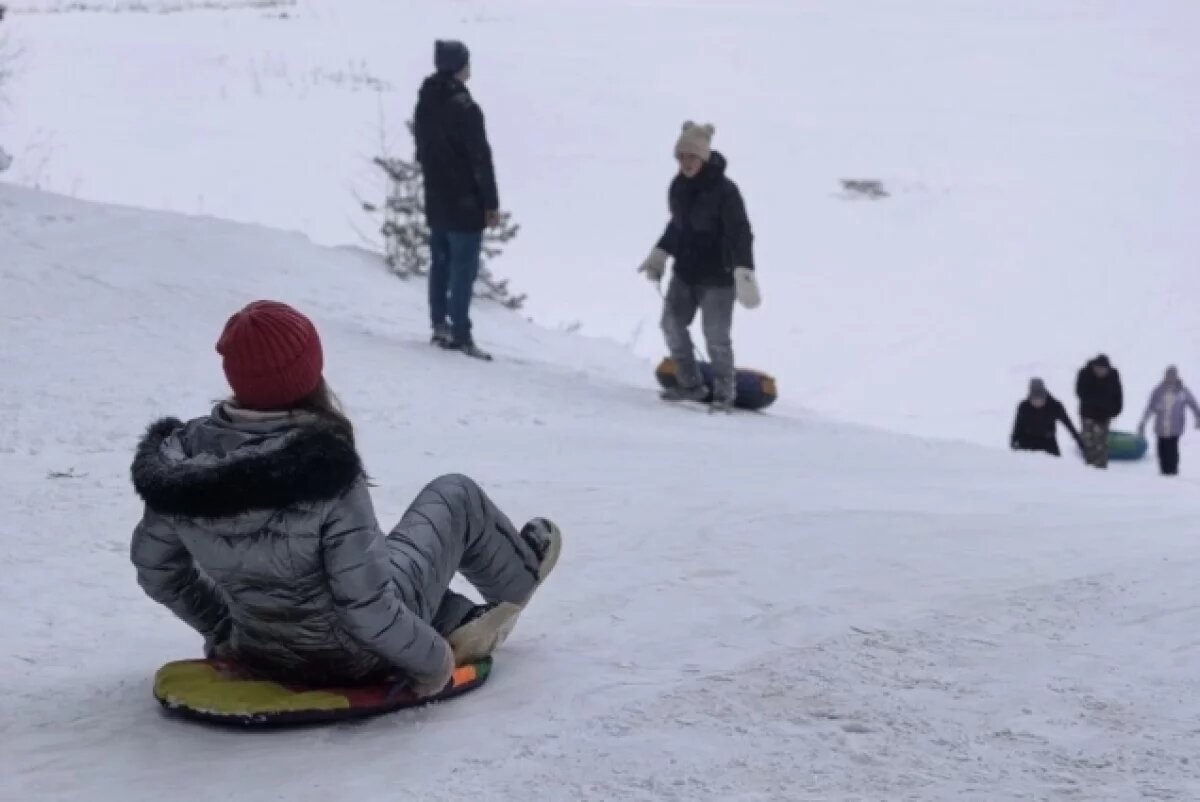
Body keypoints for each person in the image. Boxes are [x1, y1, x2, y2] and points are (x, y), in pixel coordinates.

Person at [129, 300, 561, 695]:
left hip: (261, 648)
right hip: (359, 655)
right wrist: (433, 664)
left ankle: (456, 616)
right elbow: (367, 604)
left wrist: (225, 632)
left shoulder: (184, 466)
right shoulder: (322, 470)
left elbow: (157, 570)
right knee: (455, 493)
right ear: (309, 372)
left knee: (376, 563)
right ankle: (518, 578)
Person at [637, 121, 761, 412]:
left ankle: (724, 395)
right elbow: (677, 225)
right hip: (685, 272)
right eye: (680, 157)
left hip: (719, 277)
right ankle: (690, 384)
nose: (685, 162)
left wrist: (744, 270)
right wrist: (660, 255)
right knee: (670, 324)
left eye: (691, 156)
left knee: (716, 337)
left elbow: (741, 232)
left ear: (703, 157)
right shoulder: (678, 187)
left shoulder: (726, 191)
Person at [412, 39, 499, 360]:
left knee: (441, 262)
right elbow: (481, 159)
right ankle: (460, 332)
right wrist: (491, 204)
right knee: (463, 268)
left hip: (436, 196)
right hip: (465, 201)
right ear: (460, 65)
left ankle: (440, 325)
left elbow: (420, 150)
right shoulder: (466, 108)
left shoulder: (426, 101)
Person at [1137, 365, 1200, 475]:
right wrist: (1143, 422)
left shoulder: (1182, 391)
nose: (1170, 379)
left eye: (1172, 376)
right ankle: (1164, 472)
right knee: (1161, 450)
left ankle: (1173, 471)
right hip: (1161, 427)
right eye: (1168, 376)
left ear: (1176, 377)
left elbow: (1193, 404)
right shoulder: (1158, 390)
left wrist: (1198, 417)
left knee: (1172, 450)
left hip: (1175, 427)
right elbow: (1150, 407)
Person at [1010, 377, 1083, 457]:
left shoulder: (1055, 406)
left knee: (1055, 465)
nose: (1038, 402)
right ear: (1030, 397)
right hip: (1027, 441)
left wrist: (1080, 442)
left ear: (1045, 396)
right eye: (1034, 399)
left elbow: (1069, 425)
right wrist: (1014, 442)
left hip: (1048, 441)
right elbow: (1017, 427)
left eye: (1040, 399)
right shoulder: (1023, 407)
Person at [1075, 353, 1123, 469]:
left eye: (1103, 370)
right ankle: (1088, 467)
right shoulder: (1085, 373)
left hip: (1104, 416)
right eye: (1098, 369)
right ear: (1094, 367)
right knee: (1088, 442)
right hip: (1088, 414)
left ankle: (1101, 468)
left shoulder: (1113, 375)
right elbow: (1080, 392)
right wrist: (1098, 401)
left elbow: (1118, 394)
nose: (1101, 372)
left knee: (1101, 443)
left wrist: (1116, 410)